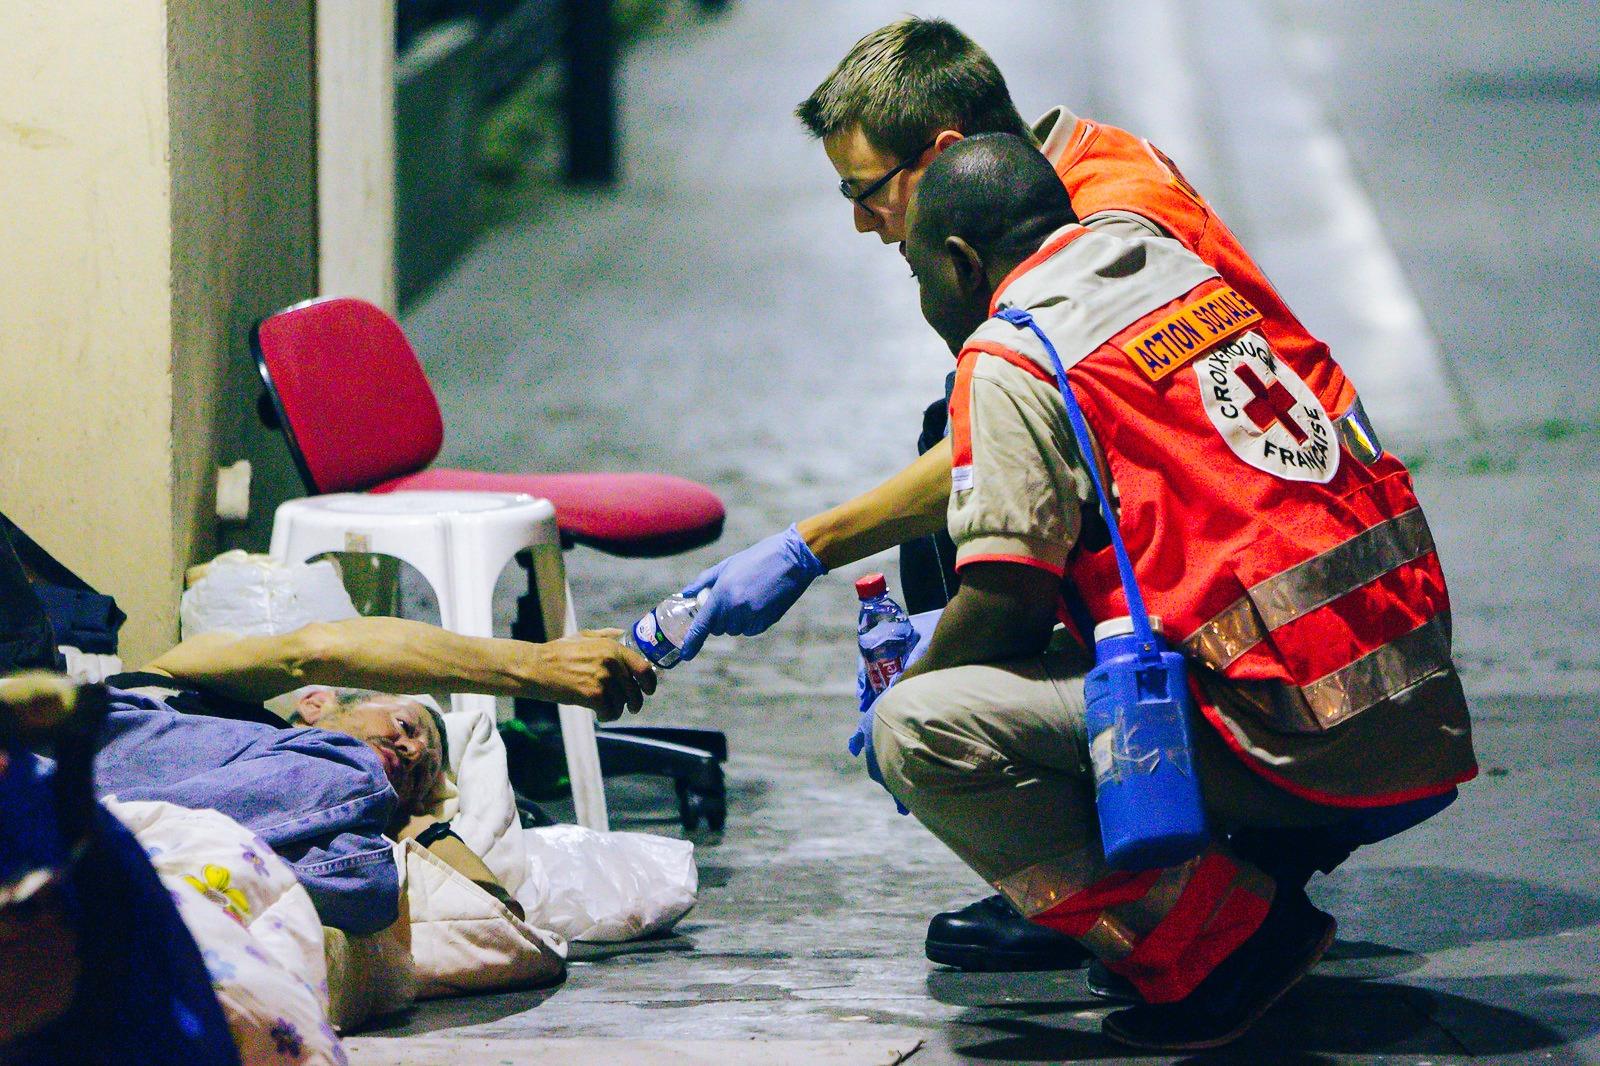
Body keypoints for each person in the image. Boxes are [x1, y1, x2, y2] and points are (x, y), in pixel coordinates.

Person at [675, 15, 1392, 975]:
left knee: (960, 593)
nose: (862, 223)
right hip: (1351, 634)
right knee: (962, 460)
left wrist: (821, 556)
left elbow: (1020, 464)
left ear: (941, 158)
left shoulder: (1101, 232)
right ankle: (1147, 838)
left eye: (865, 191)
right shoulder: (1083, 174)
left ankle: (1180, 895)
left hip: (1299, 658)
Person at [859, 132, 1475, 1050]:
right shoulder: (1172, 262)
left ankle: (1226, 949)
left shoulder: (1014, 351)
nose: (920, 297)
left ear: (957, 261)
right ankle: (1258, 868)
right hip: (1422, 713)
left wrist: (900, 698)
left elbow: (1005, 599)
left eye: (915, 271)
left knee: (924, 732)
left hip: (1303, 747)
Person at [94, 616, 656, 932]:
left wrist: (410, 820)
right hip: (87, 750)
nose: (411, 750)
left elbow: (494, 917)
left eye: (420, 770)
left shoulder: (343, 817)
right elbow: (310, 651)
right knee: (356, 782)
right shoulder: (190, 685)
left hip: (152, 837)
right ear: (317, 703)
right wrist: (534, 666)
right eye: (407, 725)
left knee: (371, 890)